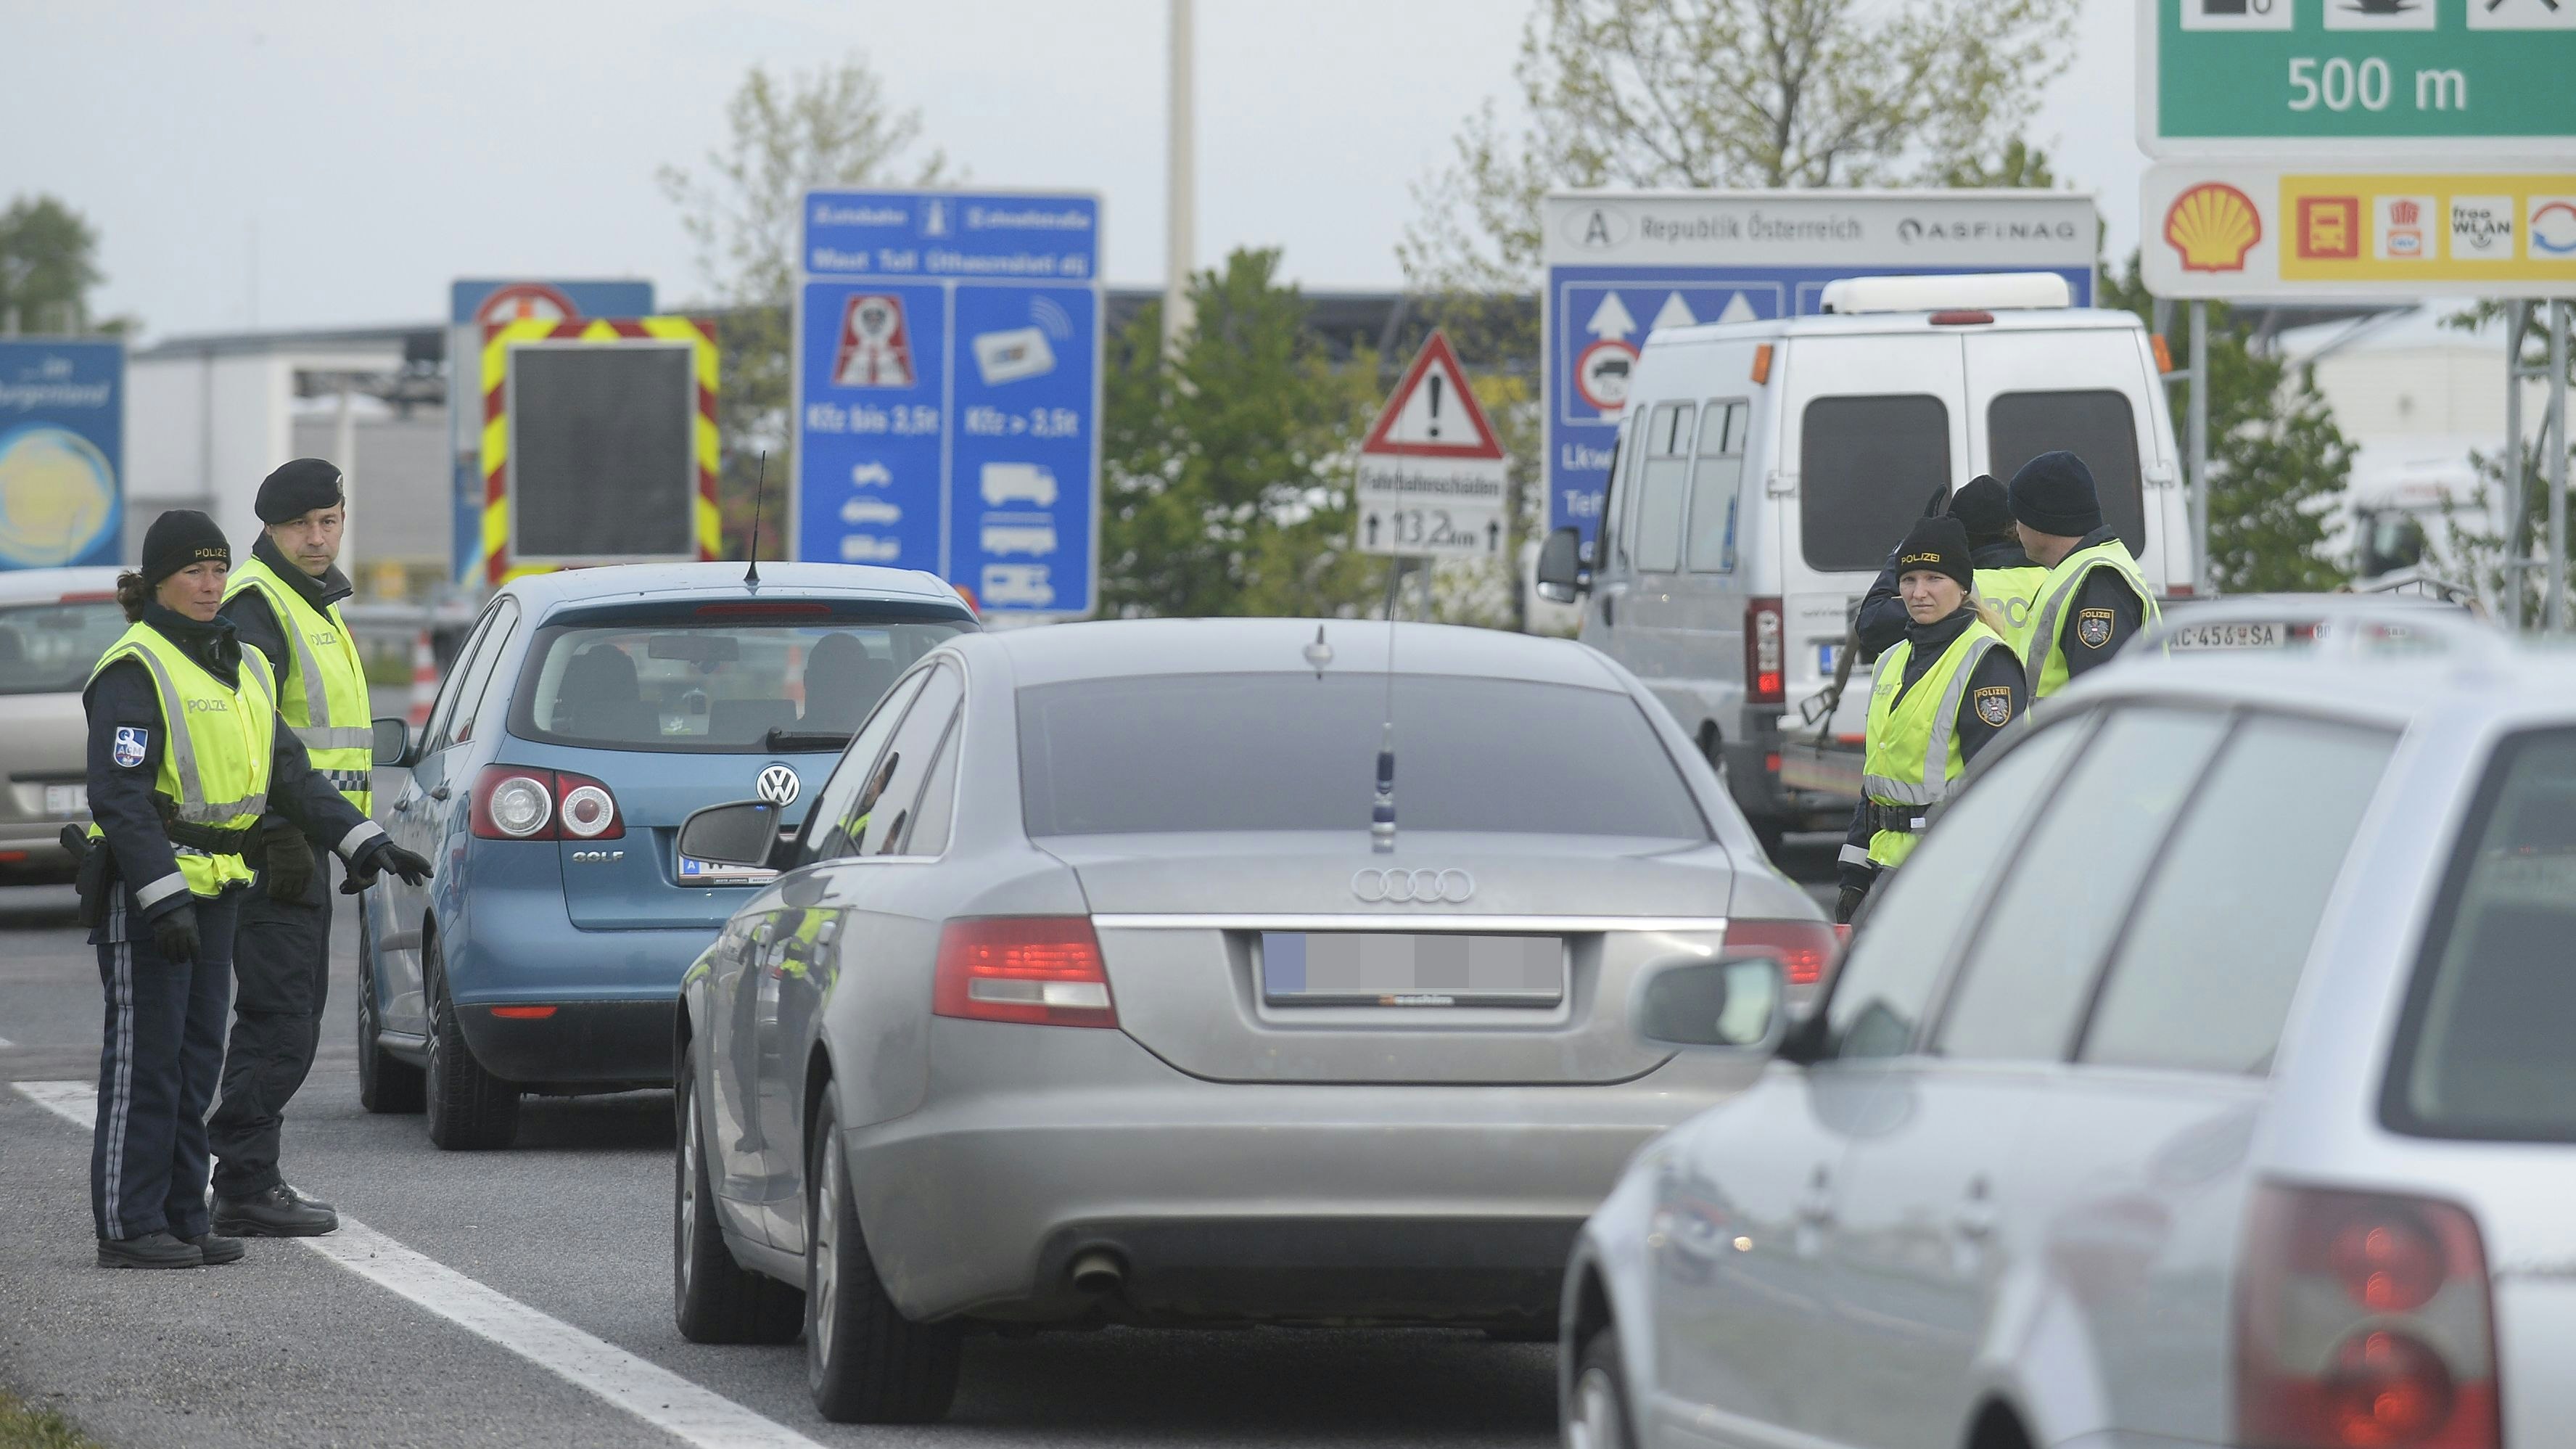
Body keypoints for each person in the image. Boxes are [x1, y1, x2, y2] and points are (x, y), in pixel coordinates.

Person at [81, 510, 432, 1269]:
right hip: (152, 894)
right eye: (192, 572)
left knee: (196, 1058)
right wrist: (161, 894)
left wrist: (365, 840)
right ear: (157, 582)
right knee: (147, 1061)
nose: (211, 585)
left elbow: (292, 774)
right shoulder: (134, 666)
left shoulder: (240, 663)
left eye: (216, 570)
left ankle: (181, 1215)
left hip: (219, 885)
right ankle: (127, 1223)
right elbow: (120, 795)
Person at [207, 459, 374, 1236]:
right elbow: (255, 741)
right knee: (279, 1021)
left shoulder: (316, 602)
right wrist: (287, 837)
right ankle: (242, 1180)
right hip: (278, 849)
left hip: (310, 846)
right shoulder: (259, 604)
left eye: (329, 520)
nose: (318, 536)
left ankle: (244, 1174)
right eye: (302, 524)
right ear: (270, 529)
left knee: (293, 1020)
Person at [1835, 517, 2028, 924]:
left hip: (1949, 877)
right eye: (1909, 580)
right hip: (1886, 870)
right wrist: (1853, 875)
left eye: (1934, 578)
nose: (1918, 593)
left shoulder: (1986, 662)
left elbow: (1997, 789)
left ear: (1962, 585)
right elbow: (1876, 781)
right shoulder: (1891, 660)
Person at [2006, 451, 2161, 698]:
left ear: (2041, 522)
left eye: (2019, 516)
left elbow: (2100, 699)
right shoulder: (2085, 571)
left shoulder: (2097, 579)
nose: (2016, 528)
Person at [1852, 476, 2046, 657]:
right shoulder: (2053, 579)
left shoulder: (1957, 590)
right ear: (2016, 526)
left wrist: (1918, 541)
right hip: (2057, 695)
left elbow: (1872, 625)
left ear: (1958, 533)